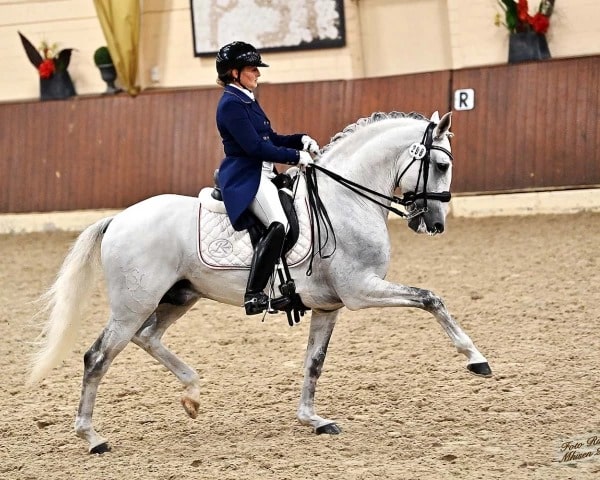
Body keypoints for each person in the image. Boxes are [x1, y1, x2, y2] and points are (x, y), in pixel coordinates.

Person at [215, 41, 320, 315]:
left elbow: (270, 138)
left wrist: (300, 140)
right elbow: (254, 148)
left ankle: (283, 279)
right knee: (279, 223)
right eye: (252, 69)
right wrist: (295, 158)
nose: (258, 74)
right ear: (234, 73)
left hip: (264, 172)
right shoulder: (230, 104)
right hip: (245, 175)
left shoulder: (247, 99)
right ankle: (255, 293)